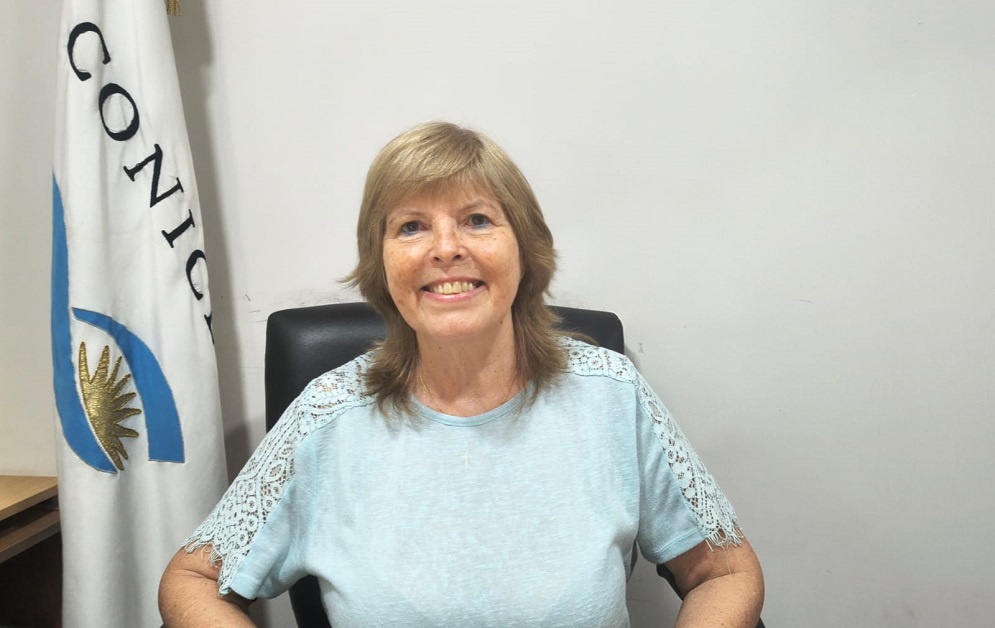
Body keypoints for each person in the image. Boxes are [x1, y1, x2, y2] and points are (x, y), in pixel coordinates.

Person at [159, 121, 764, 627]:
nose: (446, 249)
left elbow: (726, 573)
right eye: (411, 226)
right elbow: (192, 581)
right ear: (382, 262)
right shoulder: (328, 415)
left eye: (477, 219)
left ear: (524, 250)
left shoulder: (610, 393)